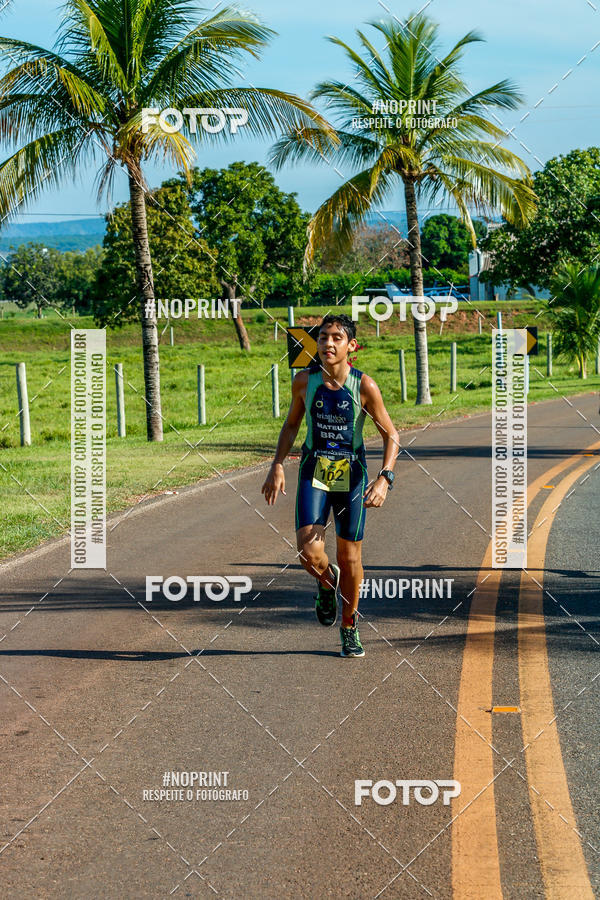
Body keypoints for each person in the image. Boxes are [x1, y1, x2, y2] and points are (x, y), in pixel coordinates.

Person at [261, 313, 399, 657]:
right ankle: (326, 582)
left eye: (337, 337)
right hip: (314, 469)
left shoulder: (364, 386)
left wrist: (385, 478)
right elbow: (291, 425)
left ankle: (349, 627)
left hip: (351, 473)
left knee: (350, 557)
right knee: (309, 552)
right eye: (323, 337)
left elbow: (391, 435)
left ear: (351, 346)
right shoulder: (304, 382)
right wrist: (277, 464)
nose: (328, 344)